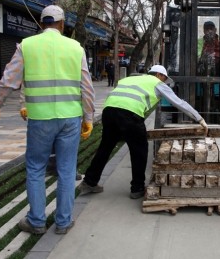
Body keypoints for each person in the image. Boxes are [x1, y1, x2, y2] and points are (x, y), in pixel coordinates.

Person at [0, 5, 95, 235]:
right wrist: (89, 117)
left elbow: (8, 81)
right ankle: (63, 223)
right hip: (70, 119)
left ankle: (36, 221)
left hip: (40, 120)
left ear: (42, 24)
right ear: (62, 24)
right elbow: (87, 87)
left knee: (35, 168)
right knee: (66, 169)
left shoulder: (27, 45)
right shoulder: (76, 48)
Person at [78, 65, 208, 199]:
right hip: (130, 114)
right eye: (164, 79)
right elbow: (178, 102)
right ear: (159, 75)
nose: (164, 82)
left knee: (105, 148)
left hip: (109, 111)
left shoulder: (129, 79)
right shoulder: (157, 83)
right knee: (139, 151)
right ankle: (137, 188)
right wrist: (199, 118)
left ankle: (89, 182)